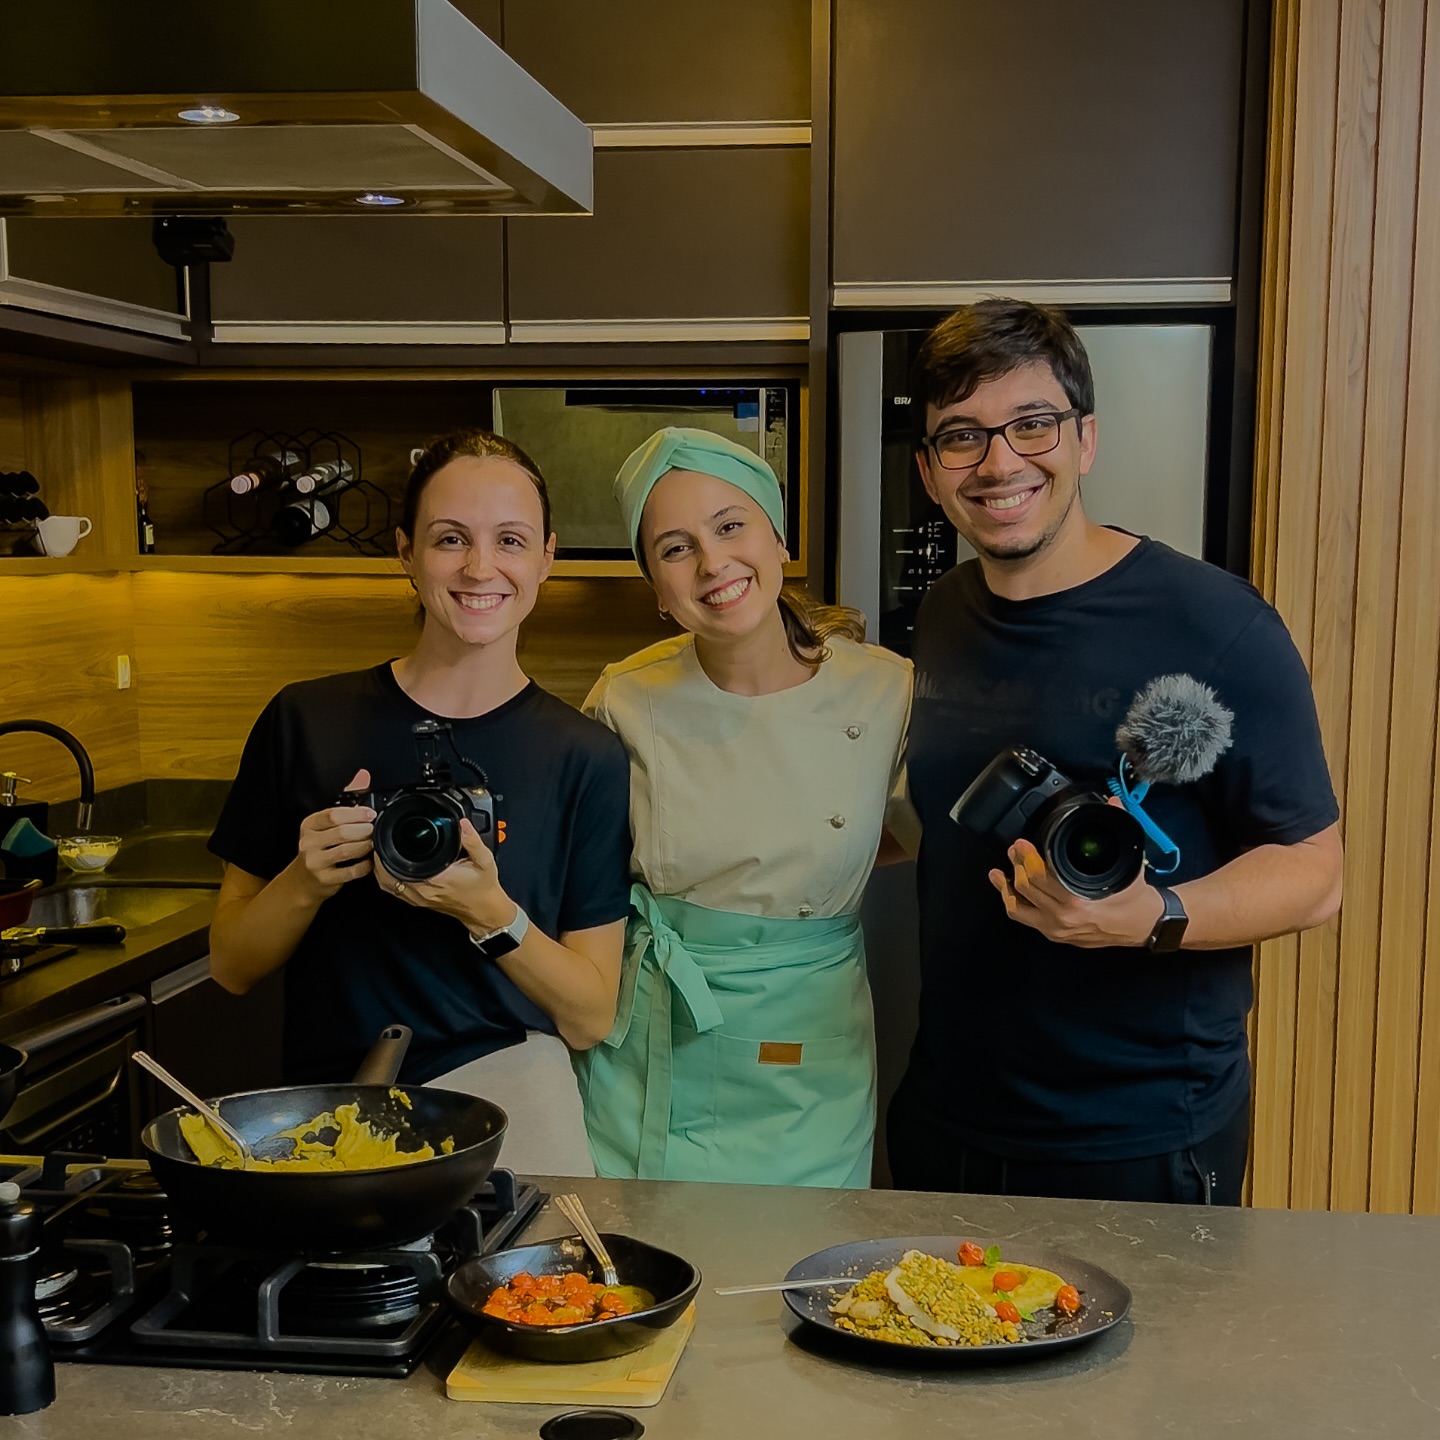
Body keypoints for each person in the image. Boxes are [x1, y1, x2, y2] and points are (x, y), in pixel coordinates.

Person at [887, 299, 1344, 1205]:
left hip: (1140, 1135)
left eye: (1032, 424)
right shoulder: (943, 614)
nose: (999, 462)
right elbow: (930, 820)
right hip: (950, 1115)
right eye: (962, 437)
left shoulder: (1217, 625)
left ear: (1085, 439)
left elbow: (1314, 873)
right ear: (930, 473)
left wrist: (1152, 916)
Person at [207, 429, 632, 1176]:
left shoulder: (584, 756)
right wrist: (306, 879)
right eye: (450, 538)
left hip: (513, 1106)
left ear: (546, 558)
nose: (480, 567)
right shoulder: (305, 721)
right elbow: (231, 964)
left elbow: (591, 1016)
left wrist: (490, 913)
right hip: (329, 1113)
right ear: (406, 551)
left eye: (510, 540)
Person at [574, 427, 912, 1187]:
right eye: (675, 548)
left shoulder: (885, 689)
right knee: (638, 1252)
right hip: (654, 1040)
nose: (712, 563)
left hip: (810, 1049)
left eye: (731, 526)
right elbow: (584, 875)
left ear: (779, 539)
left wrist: (812, 866)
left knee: (803, 1254)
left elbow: (910, 831)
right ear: (657, 590)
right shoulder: (624, 697)